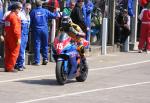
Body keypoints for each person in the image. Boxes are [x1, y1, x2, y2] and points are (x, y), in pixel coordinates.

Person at [30, 0, 60, 65]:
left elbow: (30, 21)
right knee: (45, 45)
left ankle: (37, 61)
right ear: (41, 5)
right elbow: (56, 16)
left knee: (37, 45)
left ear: (35, 5)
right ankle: (45, 59)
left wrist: (31, 28)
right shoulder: (45, 11)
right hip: (44, 29)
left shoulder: (33, 11)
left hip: (36, 30)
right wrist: (57, 11)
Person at [4, 2, 22, 72]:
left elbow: (6, 27)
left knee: (8, 52)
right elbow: (16, 29)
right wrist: (18, 38)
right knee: (14, 52)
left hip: (8, 36)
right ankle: (10, 67)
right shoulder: (15, 17)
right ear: (16, 9)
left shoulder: (8, 16)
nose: (20, 10)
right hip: (13, 38)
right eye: (19, 8)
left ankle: (7, 66)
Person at [15, 3, 31, 71]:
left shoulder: (28, 15)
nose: (28, 10)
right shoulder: (21, 14)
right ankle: (20, 65)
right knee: (21, 50)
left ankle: (20, 63)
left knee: (23, 50)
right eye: (27, 8)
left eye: (29, 9)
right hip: (21, 34)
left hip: (26, 35)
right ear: (24, 8)